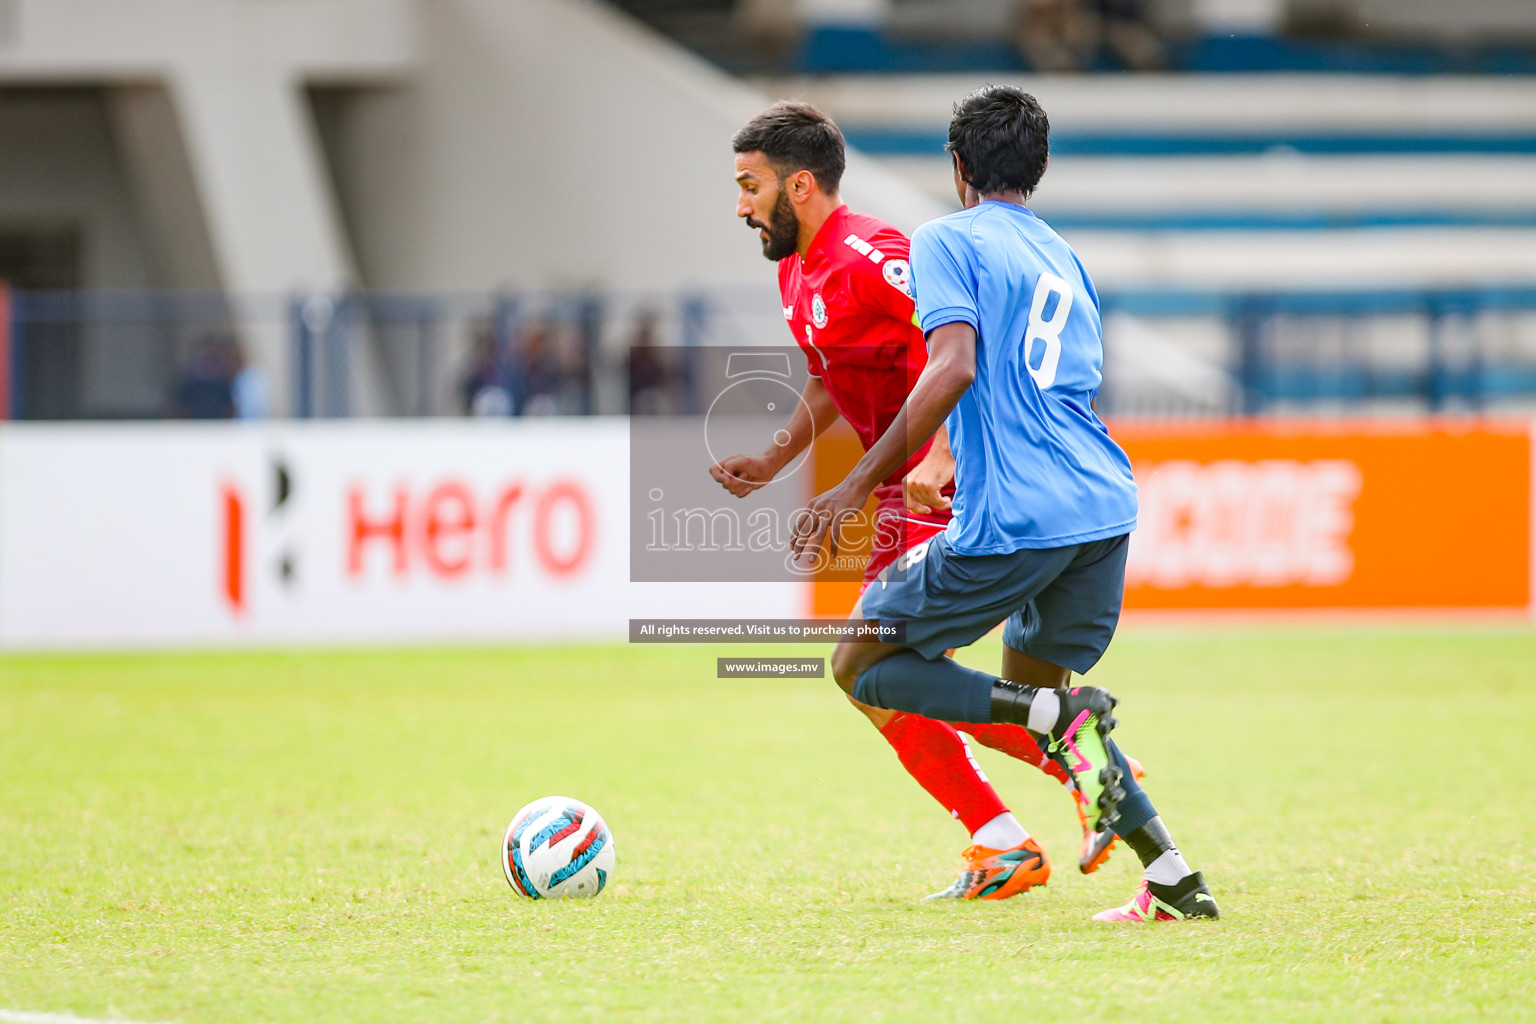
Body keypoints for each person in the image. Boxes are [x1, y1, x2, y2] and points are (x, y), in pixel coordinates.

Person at [798, 86, 1218, 923]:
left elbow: (949, 365)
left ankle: (1063, 727)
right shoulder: (1063, 254)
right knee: (1044, 709)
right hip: (1100, 508)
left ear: (958, 167)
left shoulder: (945, 240)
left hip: (1016, 517)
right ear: (1039, 168)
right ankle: (1173, 877)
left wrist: (857, 480)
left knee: (858, 662)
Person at [715, 101, 1136, 901]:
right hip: (888, 487)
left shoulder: (877, 254)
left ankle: (1056, 768)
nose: (740, 204)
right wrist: (774, 460)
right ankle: (1036, 792)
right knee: (875, 676)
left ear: (799, 185)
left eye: (750, 185)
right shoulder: (797, 268)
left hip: (936, 483)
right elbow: (829, 378)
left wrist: (940, 451)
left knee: (874, 668)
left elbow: (951, 348)